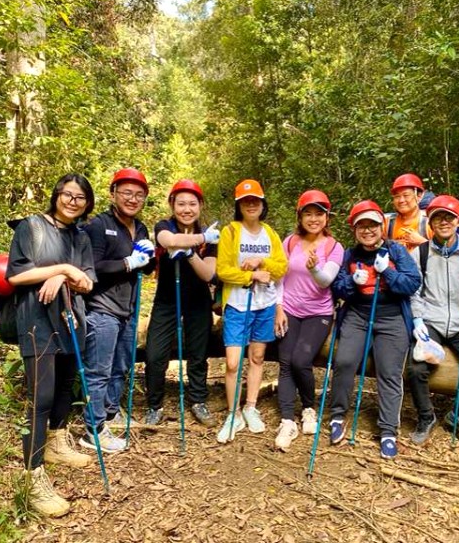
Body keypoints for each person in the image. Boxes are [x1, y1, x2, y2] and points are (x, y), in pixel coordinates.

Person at [5, 173, 96, 517]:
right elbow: (16, 275)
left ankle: (57, 441)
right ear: (56, 195)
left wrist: (66, 275)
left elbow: (87, 282)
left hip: (72, 318)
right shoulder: (31, 227)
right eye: (67, 194)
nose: (73, 201)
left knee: (64, 388)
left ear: (87, 204)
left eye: (80, 198)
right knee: (40, 398)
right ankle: (32, 479)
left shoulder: (81, 237)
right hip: (37, 321)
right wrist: (61, 268)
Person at [328, 201, 421, 459]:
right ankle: (338, 416)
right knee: (345, 362)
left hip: (391, 318)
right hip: (358, 314)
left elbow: (412, 283)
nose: (367, 230)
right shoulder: (350, 254)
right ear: (355, 230)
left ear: (382, 226)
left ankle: (389, 429)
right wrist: (351, 282)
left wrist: (387, 274)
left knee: (389, 372)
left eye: (372, 225)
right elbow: (336, 287)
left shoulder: (397, 251)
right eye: (361, 226)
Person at [405, 195, 459, 445]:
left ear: (458, 220)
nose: (444, 222)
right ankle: (426, 417)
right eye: (437, 217)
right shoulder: (420, 253)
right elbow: (414, 291)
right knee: (416, 368)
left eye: (449, 217)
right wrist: (418, 321)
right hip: (430, 322)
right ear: (430, 223)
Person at [80, 168, 156, 454]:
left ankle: (111, 412)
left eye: (139, 194)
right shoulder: (98, 225)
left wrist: (148, 257)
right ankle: (94, 429)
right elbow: (93, 267)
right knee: (98, 371)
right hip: (102, 309)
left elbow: (146, 268)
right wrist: (128, 262)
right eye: (126, 192)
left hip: (129, 310)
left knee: (121, 367)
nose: (132, 199)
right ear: (113, 194)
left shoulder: (141, 227)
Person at [215, 179, 288, 443]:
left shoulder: (270, 233)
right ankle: (232, 414)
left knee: (257, 357)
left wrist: (262, 261)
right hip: (237, 304)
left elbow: (281, 267)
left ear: (262, 203)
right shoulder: (231, 232)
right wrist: (252, 276)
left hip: (264, 305)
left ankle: (250, 406)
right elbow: (222, 270)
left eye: (255, 200)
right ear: (239, 205)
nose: (251, 204)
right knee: (233, 362)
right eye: (246, 201)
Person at [144, 179, 221, 428]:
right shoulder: (165, 225)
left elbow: (209, 274)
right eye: (181, 204)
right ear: (172, 205)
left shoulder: (211, 236)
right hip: (167, 299)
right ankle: (154, 405)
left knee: (197, 354)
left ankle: (198, 400)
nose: (186, 209)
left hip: (198, 300)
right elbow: (167, 240)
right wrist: (195, 239)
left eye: (192, 203)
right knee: (155, 354)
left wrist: (190, 254)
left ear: (200, 205)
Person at [273, 190, 344, 451]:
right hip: (289, 308)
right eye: (308, 213)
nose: (313, 219)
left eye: (319, 213)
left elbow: (326, 280)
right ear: (300, 216)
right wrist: (278, 308)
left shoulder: (335, 247)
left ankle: (309, 408)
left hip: (319, 313)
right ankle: (286, 419)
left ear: (327, 217)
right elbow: (279, 277)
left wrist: (315, 267)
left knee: (301, 360)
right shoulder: (289, 242)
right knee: (285, 362)